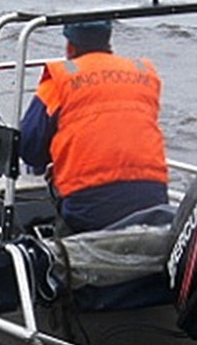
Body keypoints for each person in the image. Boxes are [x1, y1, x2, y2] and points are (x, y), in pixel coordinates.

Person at [18, 19, 170, 233]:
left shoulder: (62, 78)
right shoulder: (142, 73)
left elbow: (30, 148)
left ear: (70, 46)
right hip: (153, 201)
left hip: (89, 209)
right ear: (108, 40)